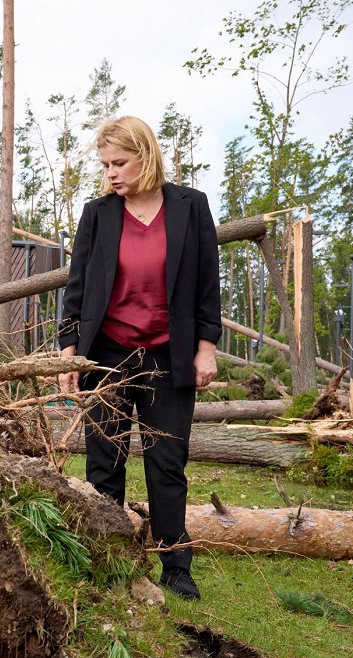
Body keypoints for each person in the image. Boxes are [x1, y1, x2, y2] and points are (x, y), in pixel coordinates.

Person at [57, 115, 221, 600]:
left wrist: (206, 347)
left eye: (119, 163)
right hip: (106, 355)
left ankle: (175, 564)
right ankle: (111, 556)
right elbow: (78, 287)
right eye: (105, 164)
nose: (110, 173)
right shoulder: (98, 214)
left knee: (166, 463)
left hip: (169, 358)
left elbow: (207, 283)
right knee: (103, 463)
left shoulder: (191, 207)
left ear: (145, 157)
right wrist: (69, 353)